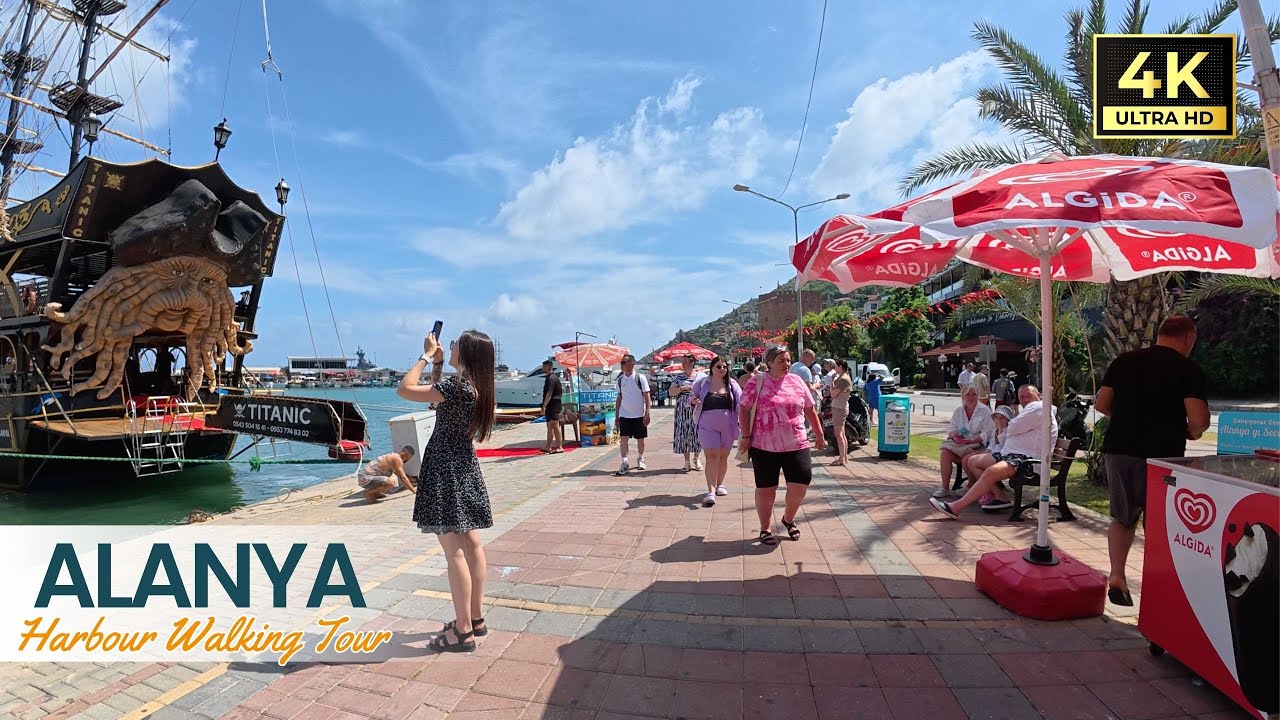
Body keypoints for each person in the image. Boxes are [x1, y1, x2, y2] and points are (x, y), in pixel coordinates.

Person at [1095, 315, 1208, 607]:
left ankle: (1118, 576)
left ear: (1159, 334)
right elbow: (1198, 419)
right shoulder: (1187, 369)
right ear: (1188, 339)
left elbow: (1101, 404)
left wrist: (1126, 418)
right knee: (1158, 523)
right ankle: (1156, 588)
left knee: (1122, 516)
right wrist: (1190, 432)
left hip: (1120, 450)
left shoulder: (1124, 362)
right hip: (1162, 456)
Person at [397, 328, 497, 653]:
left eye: (454, 345)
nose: (449, 346)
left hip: (444, 469)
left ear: (465, 355)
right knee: (472, 544)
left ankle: (462, 632)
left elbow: (405, 389)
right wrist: (440, 364)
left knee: (454, 551)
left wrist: (426, 355)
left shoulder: (455, 388)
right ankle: (476, 619)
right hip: (465, 467)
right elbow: (440, 397)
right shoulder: (475, 387)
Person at [739, 345, 826, 546]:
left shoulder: (797, 381)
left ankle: (788, 518)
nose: (786, 364)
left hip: (796, 442)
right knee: (766, 489)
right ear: (769, 363)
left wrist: (819, 434)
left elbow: (810, 409)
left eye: (788, 360)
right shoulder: (757, 381)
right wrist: (745, 436)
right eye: (781, 361)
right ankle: (765, 528)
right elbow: (743, 409)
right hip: (764, 445)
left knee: (801, 484)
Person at [929, 385, 1056, 520]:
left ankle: (956, 507)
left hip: (1025, 460)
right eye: (1021, 397)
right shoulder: (1032, 410)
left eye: (1028, 395)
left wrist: (1013, 428)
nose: (1024, 399)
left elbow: (1012, 427)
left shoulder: (1037, 407)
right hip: (1010, 454)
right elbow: (1009, 431)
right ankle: (1000, 496)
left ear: (1038, 396)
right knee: (972, 461)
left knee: (991, 471)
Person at [691, 356, 741, 506]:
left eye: (724, 367)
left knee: (723, 457)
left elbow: (741, 401)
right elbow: (691, 397)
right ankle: (711, 491)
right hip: (707, 425)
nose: (722, 369)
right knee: (712, 457)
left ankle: (720, 484)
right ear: (712, 368)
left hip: (728, 425)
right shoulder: (702, 383)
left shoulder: (732, 384)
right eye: (718, 366)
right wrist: (693, 401)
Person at [934, 386, 994, 499]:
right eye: (968, 394)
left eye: (974, 394)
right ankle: (945, 488)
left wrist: (974, 440)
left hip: (978, 445)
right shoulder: (959, 411)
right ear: (963, 396)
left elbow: (989, 432)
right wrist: (956, 437)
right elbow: (951, 429)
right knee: (945, 453)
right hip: (961, 445)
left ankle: (971, 485)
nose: (971, 397)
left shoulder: (984, 410)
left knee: (967, 458)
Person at [962, 405, 1017, 510]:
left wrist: (1000, 430)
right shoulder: (995, 431)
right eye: (997, 418)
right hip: (994, 453)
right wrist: (983, 452)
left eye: (1002, 418)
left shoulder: (1009, 431)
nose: (999, 420)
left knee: (973, 462)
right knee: (968, 458)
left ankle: (992, 491)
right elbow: (991, 446)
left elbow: (1003, 447)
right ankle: (979, 487)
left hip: (1003, 455)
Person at [613, 353, 651, 475]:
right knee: (623, 439)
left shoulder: (640, 378)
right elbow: (619, 398)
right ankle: (625, 462)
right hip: (625, 414)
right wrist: (617, 415)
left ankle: (640, 458)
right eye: (621, 363)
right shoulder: (619, 380)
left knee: (640, 439)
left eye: (624, 362)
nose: (622, 365)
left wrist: (647, 412)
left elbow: (647, 396)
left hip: (639, 414)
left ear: (632, 363)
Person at [667, 353, 705, 472]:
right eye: (682, 361)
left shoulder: (701, 376)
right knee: (683, 432)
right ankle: (687, 461)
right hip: (682, 407)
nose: (682, 363)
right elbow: (671, 392)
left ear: (692, 362)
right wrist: (681, 389)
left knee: (697, 431)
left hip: (696, 406)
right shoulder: (678, 377)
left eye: (685, 361)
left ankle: (697, 458)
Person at [829, 360, 854, 466]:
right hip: (839, 407)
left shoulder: (843, 379)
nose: (835, 368)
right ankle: (844, 457)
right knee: (841, 434)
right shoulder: (842, 378)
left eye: (836, 366)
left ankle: (841, 459)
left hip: (839, 408)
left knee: (838, 434)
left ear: (840, 367)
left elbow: (833, 394)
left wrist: (831, 381)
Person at [538, 359, 564, 453]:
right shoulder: (548, 378)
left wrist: (543, 407)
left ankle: (560, 446)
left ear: (549, 367)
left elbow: (549, 393)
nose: (542, 368)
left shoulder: (552, 378)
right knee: (550, 426)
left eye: (544, 366)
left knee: (555, 425)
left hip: (554, 405)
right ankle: (548, 446)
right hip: (550, 405)